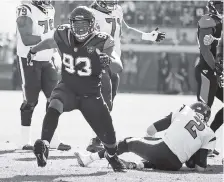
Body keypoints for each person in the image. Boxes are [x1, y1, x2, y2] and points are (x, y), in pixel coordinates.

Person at [28, 6, 126, 172]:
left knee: (110, 138)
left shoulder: (103, 40)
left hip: (92, 94)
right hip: (68, 87)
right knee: (54, 104)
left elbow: (119, 67)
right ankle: (44, 144)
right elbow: (51, 42)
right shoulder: (63, 34)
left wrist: (108, 61)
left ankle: (111, 155)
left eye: (84, 24)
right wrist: (34, 49)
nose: (79, 28)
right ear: (70, 24)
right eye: (76, 24)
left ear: (93, 24)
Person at [87, 0, 166, 153]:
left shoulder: (117, 9)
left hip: (114, 60)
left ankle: (97, 138)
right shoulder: (91, 14)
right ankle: (94, 140)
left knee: (108, 103)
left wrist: (149, 37)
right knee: (105, 98)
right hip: (99, 60)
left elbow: (126, 29)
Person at [75, 102, 216, 172]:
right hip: (175, 165)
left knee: (127, 142)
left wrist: (147, 142)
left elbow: (151, 129)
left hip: (161, 151)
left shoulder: (185, 110)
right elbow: (199, 168)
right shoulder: (210, 134)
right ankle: (138, 165)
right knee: (158, 152)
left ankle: (89, 159)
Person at [16, 0, 70, 151]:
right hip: (29, 59)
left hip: (47, 59)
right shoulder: (25, 9)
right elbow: (26, 39)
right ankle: (24, 140)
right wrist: (50, 37)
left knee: (55, 98)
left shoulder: (49, 8)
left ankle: (52, 139)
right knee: (30, 101)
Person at [194, 0, 223, 135]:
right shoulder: (207, 20)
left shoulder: (220, 22)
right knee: (202, 110)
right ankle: (195, 147)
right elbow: (206, 50)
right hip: (207, 71)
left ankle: (209, 136)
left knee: (203, 110)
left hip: (217, 72)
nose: (222, 8)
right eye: (219, 5)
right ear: (211, 6)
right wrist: (216, 68)